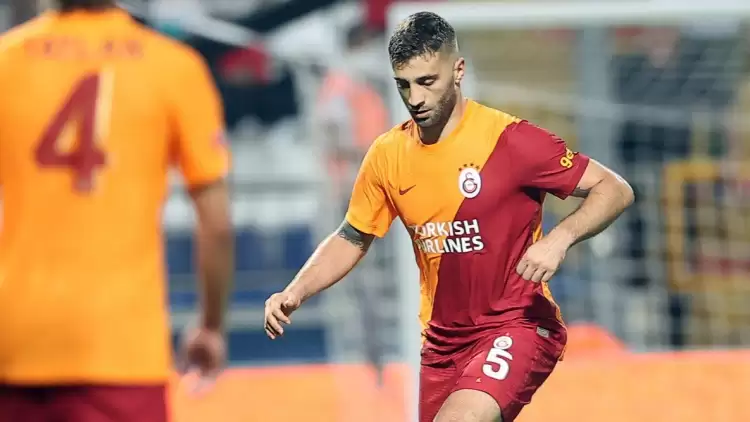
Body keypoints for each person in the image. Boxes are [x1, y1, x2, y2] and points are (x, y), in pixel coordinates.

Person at [265, 11, 633, 422]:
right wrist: (295, 292)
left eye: (427, 81)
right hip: (442, 346)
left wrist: (559, 240)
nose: (415, 98)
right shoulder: (387, 155)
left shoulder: (510, 140)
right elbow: (352, 236)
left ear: (458, 70)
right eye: (404, 85)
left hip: (517, 325)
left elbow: (614, 188)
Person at [0, 1, 234, 421]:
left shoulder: (7, 62)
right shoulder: (172, 66)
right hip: (124, 349)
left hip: (15, 347)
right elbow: (216, 223)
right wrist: (210, 326)